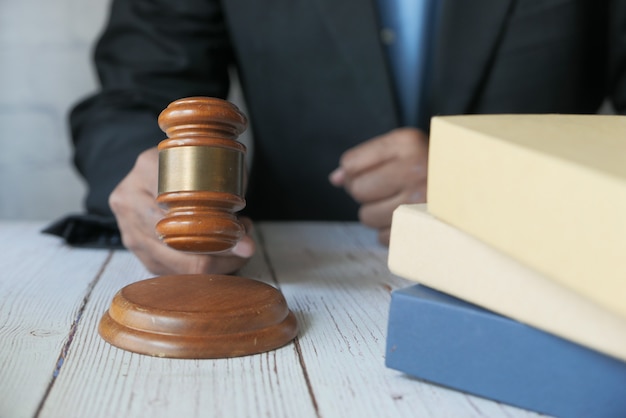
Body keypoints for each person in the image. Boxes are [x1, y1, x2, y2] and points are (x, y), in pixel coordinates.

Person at [63, 0, 623, 276]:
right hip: (290, 273)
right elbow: (136, 92)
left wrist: (501, 182)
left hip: (543, 274)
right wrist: (152, 181)